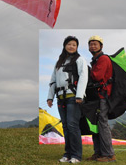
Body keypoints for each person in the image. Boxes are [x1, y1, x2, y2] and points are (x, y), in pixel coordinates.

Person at [46, 35, 88, 163]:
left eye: (74, 45)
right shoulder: (59, 61)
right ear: (65, 45)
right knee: (65, 126)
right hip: (61, 98)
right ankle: (67, 154)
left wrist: (80, 95)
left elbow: (83, 77)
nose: (71, 46)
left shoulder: (80, 59)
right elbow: (53, 80)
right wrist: (50, 97)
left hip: (74, 98)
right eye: (69, 44)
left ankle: (76, 156)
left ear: (77, 47)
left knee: (72, 125)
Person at [86, 35, 116, 163]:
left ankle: (109, 155)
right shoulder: (95, 60)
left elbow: (97, 76)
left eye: (95, 44)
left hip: (102, 96)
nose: (93, 46)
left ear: (101, 46)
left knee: (102, 124)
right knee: (96, 124)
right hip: (97, 97)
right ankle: (98, 153)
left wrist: (86, 71)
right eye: (91, 44)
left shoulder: (103, 59)